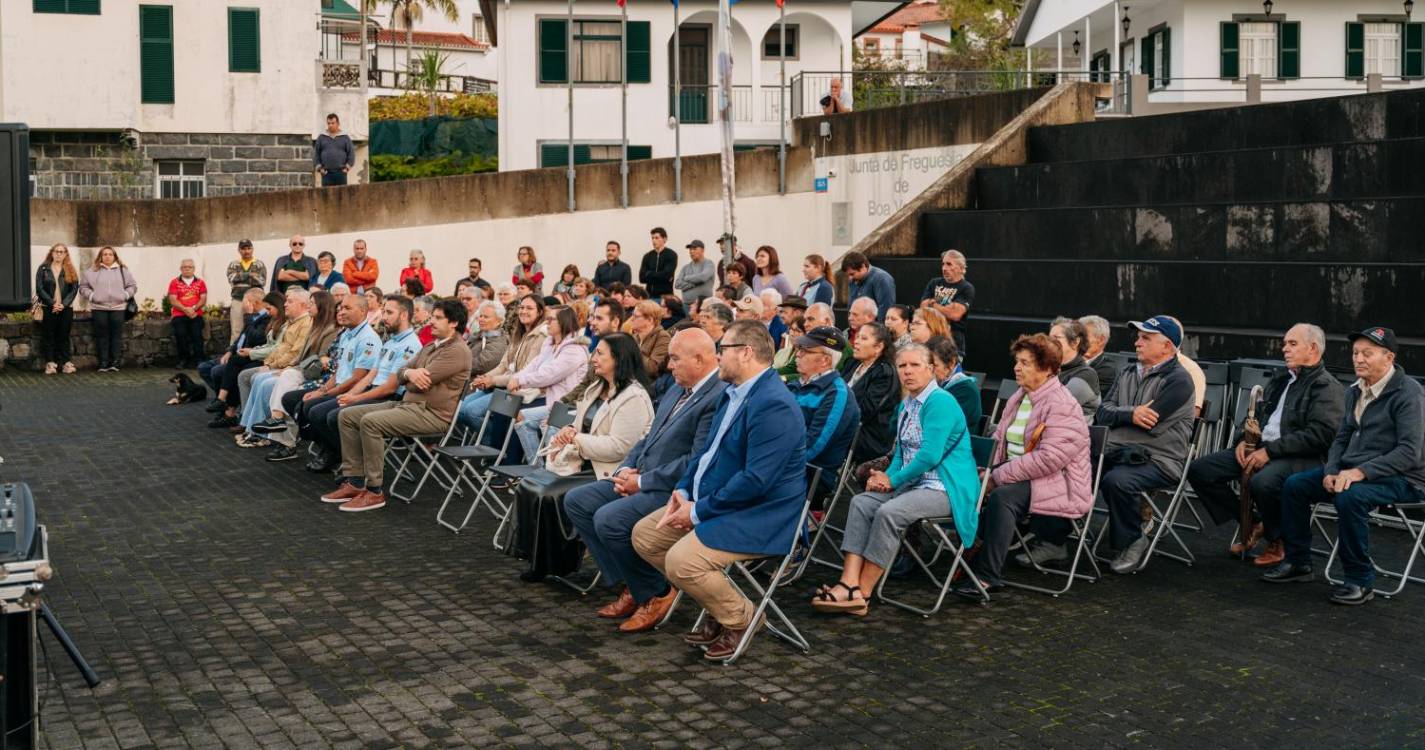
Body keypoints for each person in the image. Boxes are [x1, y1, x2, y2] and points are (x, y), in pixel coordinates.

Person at [630, 321, 808, 660]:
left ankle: (741, 618)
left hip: (761, 514)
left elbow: (757, 480)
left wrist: (697, 511)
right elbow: (705, 454)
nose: (717, 356)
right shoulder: (733, 392)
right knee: (646, 536)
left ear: (746, 353)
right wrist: (683, 491)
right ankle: (716, 603)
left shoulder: (774, 404)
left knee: (682, 562)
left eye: (722, 349)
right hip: (721, 501)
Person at [565, 328, 726, 631]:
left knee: (609, 520)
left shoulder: (717, 397)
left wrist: (642, 482)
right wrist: (625, 469)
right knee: (578, 501)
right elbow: (648, 438)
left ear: (699, 359)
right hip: (643, 475)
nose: (669, 366)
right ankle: (632, 583)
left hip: (675, 489)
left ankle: (656, 592)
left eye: (675, 359)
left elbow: (696, 460)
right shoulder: (678, 387)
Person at [811, 344, 978, 616]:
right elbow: (901, 452)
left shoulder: (941, 402)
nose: (907, 371)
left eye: (915, 365)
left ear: (930, 369)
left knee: (889, 512)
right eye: (902, 366)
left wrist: (892, 480)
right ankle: (848, 583)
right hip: (913, 484)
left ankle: (863, 593)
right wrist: (886, 476)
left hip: (945, 487)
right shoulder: (907, 404)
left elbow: (929, 456)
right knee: (861, 503)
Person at [1264, 326, 1424, 605]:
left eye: (1367, 354)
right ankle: (1298, 562)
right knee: (1295, 485)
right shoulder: (1354, 391)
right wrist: (1331, 471)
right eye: (1355, 353)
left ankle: (1360, 580)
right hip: (1354, 471)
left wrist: (1360, 472)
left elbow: (1409, 452)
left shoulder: (1409, 393)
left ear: (1389, 358)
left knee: (1350, 496)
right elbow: (1341, 439)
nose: (1358, 359)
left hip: (1405, 478)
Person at [1027, 316, 1196, 574]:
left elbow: (1150, 423)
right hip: (1116, 451)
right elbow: (1103, 412)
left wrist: (1122, 415)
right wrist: (1130, 414)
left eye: (1146, 338)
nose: (1137, 343)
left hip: (1159, 459)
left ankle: (1134, 540)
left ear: (1167, 346)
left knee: (1117, 481)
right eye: (1138, 337)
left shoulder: (1179, 381)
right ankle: (1053, 542)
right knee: (1064, 467)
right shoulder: (1128, 372)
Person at [1187, 324, 1344, 565]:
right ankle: (1253, 522)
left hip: (1301, 457)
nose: (1285, 349)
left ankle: (1278, 539)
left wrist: (1269, 452)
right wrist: (1243, 440)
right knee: (1200, 470)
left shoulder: (1326, 387)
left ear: (1313, 349)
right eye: (1285, 344)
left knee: (1264, 482)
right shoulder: (1281, 379)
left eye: (1292, 344)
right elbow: (1254, 416)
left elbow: (1320, 435)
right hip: (1261, 448)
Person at [509, 333, 655, 582]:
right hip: (582, 461)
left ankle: (557, 562)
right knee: (529, 485)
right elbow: (580, 425)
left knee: (550, 495)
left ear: (618, 358)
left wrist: (577, 440)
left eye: (600, 353)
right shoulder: (597, 388)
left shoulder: (633, 398)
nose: (593, 358)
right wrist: (568, 431)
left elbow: (620, 448)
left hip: (608, 469)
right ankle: (539, 559)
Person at [959, 334, 1092, 599]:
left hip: (1059, 481)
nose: (1017, 368)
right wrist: (987, 469)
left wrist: (997, 476)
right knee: (965, 483)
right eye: (1017, 361)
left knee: (1002, 497)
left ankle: (987, 575)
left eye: (1025, 363)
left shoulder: (1062, 404)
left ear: (1047, 369)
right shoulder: (1020, 397)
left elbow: (1049, 458)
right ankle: (962, 556)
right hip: (1018, 473)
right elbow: (999, 441)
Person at [322, 300, 473, 512]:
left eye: (438, 318)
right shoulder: (431, 346)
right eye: (433, 316)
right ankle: (354, 482)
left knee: (370, 422)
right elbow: (402, 373)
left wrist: (408, 377)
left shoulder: (457, 351)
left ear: (454, 323)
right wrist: (410, 373)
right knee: (346, 415)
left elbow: (416, 384)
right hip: (409, 405)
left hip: (431, 414)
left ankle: (374, 490)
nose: (431, 321)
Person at [294, 295, 423, 466]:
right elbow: (370, 376)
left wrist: (355, 398)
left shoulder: (410, 345)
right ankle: (339, 454)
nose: (384, 317)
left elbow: (390, 388)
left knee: (329, 415)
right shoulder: (390, 342)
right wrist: (350, 395)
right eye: (384, 312)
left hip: (390, 398)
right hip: (373, 391)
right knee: (314, 408)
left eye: (389, 313)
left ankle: (353, 462)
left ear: (404, 315)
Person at [240, 290, 340, 456]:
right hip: (305, 370)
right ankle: (272, 426)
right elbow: (298, 355)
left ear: (322, 307)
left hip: (318, 375)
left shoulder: (329, 330)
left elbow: (320, 359)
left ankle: (280, 433)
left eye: (312, 304)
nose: (309, 306)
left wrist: (289, 367)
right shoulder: (315, 325)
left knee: (280, 386)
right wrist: (289, 366)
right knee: (277, 380)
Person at [292, 294, 382, 471]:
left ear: (362, 311)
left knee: (315, 411)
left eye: (347, 308)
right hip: (340, 386)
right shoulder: (347, 334)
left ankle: (341, 454)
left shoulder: (368, 339)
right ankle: (329, 447)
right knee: (296, 402)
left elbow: (357, 378)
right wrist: (322, 390)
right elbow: (339, 372)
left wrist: (325, 393)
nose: (341, 312)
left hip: (355, 390)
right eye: (340, 308)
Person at [505, 306, 591, 458]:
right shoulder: (550, 344)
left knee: (548, 433)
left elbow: (550, 374)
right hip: (554, 405)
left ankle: (548, 467)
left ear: (564, 322)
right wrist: (516, 378)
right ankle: (536, 465)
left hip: (569, 408)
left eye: (551, 319)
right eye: (547, 319)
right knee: (520, 417)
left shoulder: (574, 349)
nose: (547, 323)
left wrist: (521, 381)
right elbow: (534, 365)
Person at [459, 295, 548, 431]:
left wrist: (492, 380)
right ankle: (487, 439)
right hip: (502, 385)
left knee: (471, 412)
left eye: (529, 308)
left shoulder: (540, 337)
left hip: (519, 390)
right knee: (461, 409)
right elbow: (503, 365)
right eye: (521, 308)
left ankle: (490, 441)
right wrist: (485, 378)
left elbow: (524, 373)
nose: (524, 311)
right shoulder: (518, 333)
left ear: (540, 312)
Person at [787, 327, 861, 489]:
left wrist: (773, 460)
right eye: (799, 348)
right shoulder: (796, 384)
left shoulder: (837, 394)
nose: (798, 354)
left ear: (825, 360)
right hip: (784, 462)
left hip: (807, 475)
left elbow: (813, 447)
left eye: (805, 350)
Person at [206, 291, 285, 425]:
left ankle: (237, 414)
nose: (267, 311)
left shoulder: (265, 319)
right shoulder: (269, 319)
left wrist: (252, 351)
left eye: (269, 308)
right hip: (246, 354)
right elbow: (241, 338)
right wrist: (230, 350)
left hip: (261, 358)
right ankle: (225, 406)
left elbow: (258, 339)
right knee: (210, 367)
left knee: (234, 372)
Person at [840, 322, 898, 464]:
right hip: (844, 424)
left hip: (866, 435)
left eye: (864, 338)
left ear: (878, 347)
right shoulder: (852, 362)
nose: (856, 341)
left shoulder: (884, 373)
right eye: (858, 337)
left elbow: (865, 411)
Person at [78, 245, 137, 373]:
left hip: (118, 308)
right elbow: (83, 287)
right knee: (102, 336)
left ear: (114, 256)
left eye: (110, 254)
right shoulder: (92, 271)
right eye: (105, 254)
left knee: (116, 336)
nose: (107, 256)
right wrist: (92, 296)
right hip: (99, 308)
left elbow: (132, 286)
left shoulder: (123, 271)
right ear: (100, 256)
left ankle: (115, 362)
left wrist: (125, 295)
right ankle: (103, 363)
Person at [35, 243, 79, 375]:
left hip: (66, 308)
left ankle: (66, 363)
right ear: (52, 253)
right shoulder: (43, 268)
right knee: (49, 336)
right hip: (49, 308)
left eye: (61, 252)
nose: (59, 254)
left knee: (64, 336)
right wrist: (52, 303)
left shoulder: (70, 269)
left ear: (65, 254)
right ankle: (50, 363)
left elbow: (74, 289)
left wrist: (63, 304)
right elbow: (39, 289)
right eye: (56, 251)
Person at [919, 250, 975, 356]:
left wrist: (933, 303)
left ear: (961, 267)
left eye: (949, 264)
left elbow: (955, 314)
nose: (944, 268)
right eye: (943, 264)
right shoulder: (934, 283)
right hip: (930, 340)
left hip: (953, 344)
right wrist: (947, 307)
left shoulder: (966, 288)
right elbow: (923, 307)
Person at [1049, 316, 1102, 421]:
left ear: (1075, 342)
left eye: (1056, 338)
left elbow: (1057, 406)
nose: (1049, 343)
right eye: (1049, 338)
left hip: (1069, 430)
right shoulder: (1049, 370)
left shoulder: (1086, 374)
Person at [926, 336, 982, 430]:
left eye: (934, 366)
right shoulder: (935, 385)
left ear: (951, 363)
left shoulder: (966, 391)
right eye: (926, 366)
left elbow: (941, 425)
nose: (929, 371)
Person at [166, 258, 208, 369]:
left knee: (197, 334)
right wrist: (185, 309)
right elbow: (173, 300)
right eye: (184, 267)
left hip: (196, 314)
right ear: (181, 269)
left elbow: (203, 299)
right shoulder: (174, 282)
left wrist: (193, 309)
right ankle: (183, 360)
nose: (187, 269)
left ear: (194, 269)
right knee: (180, 334)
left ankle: (199, 359)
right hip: (179, 315)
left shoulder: (200, 282)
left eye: (190, 267)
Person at [225, 239, 267, 343]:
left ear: (252, 249)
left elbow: (262, 281)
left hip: (255, 302)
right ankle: (234, 351)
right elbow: (231, 278)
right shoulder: (234, 264)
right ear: (239, 250)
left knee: (255, 326)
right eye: (243, 249)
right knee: (236, 329)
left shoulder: (259, 264)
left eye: (249, 248)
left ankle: (252, 350)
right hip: (238, 300)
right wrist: (250, 275)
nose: (246, 251)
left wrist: (240, 277)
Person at [842, 251, 894, 321]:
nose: (850, 278)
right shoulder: (854, 280)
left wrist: (878, 327)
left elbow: (886, 308)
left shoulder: (882, 279)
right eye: (848, 275)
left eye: (852, 274)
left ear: (863, 266)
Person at [628, 300, 672, 379]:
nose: (631, 319)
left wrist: (633, 350)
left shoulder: (663, 337)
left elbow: (652, 368)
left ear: (650, 320)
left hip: (649, 383)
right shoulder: (634, 337)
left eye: (636, 316)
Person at [468, 300, 509, 376]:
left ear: (499, 320)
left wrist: (457, 363)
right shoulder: (478, 336)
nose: (481, 319)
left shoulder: (498, 342)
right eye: (480, 316)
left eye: (486, 317)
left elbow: (481, 365)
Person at [1079, 315, 1117, 397]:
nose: (1078, 341)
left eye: (1084, 336)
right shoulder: (1068, 360)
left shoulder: (1107, 370)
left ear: (1101, 340)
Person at [313, 112, 354, 187]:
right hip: (326, 173)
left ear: (338, 123)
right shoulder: (321, 137)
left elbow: (351, 154)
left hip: (341, 173)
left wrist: (346, 168)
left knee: (341, 194)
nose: (330, 125)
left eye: (333, 123)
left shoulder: (345, 137)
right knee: (326, 194)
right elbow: (316, 154)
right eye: (328, 123)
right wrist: (320, 169)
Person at [674, 239, 715, 306]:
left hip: (704, 305)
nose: (691, 251)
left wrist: (686, 278)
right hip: (687, 305)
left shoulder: (708, 264)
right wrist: (695, 283)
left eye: (694, 249)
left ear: (702, 250)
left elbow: (702, 278)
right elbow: (677, 284)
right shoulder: (686, 267)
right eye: (690, 249)